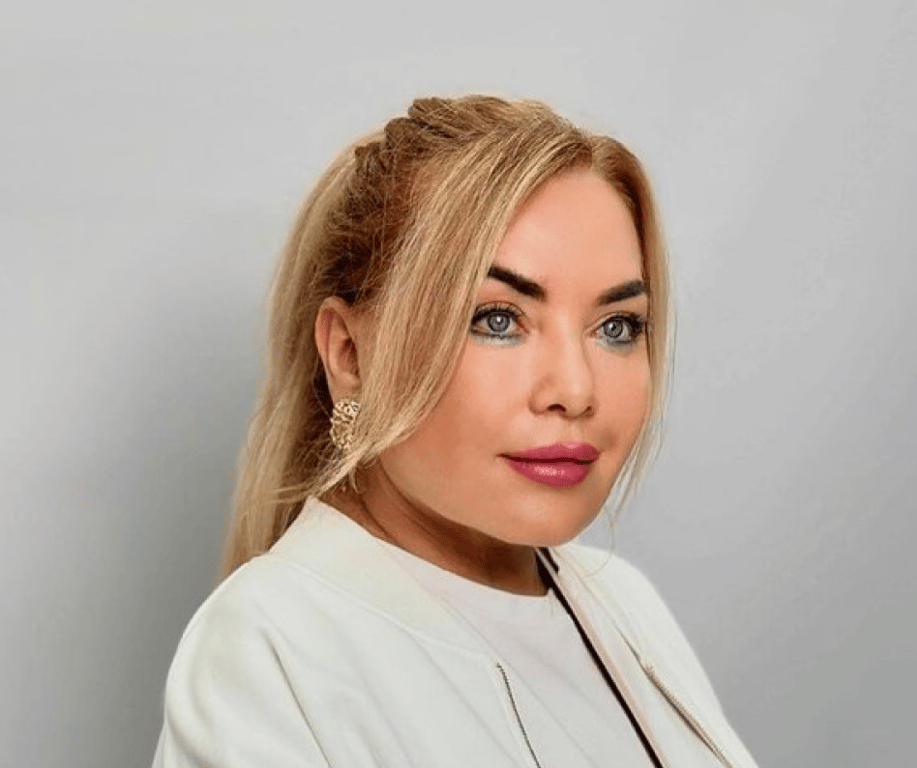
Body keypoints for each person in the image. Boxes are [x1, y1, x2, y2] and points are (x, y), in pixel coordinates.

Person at [151, 95, 758, 768]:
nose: (575, 390)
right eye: (497, 320)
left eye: (617, 326)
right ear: (350, 355)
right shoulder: (270, 651)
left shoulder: (621, 602)